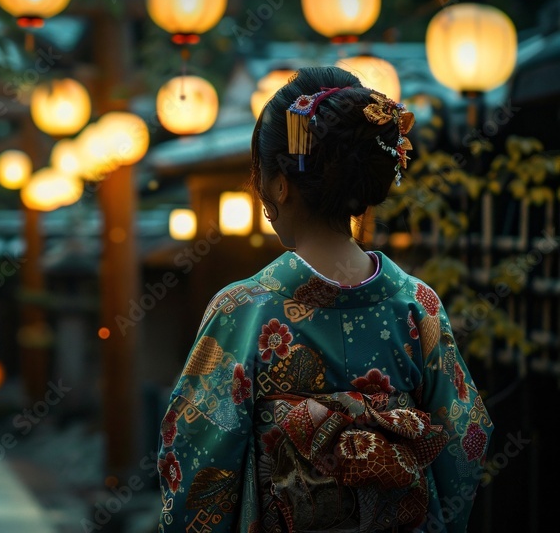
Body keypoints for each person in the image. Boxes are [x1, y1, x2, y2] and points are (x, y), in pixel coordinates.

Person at [157, 66, 492, 533]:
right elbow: (465, 441)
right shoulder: (418, 307)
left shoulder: (242, 310)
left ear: (278, 184)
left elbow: (195, 459)